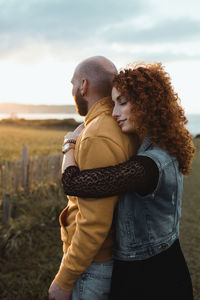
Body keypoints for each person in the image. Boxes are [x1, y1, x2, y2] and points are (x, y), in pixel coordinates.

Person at [61, 63, 195, 300]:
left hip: (152, 279)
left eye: (122, 103)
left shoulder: (149, 166)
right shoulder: (156, 144)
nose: (114, 113)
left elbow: (74, 183)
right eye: (113, 103)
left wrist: (70, 144)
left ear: (146, 103)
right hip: (159, 264)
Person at [48, 56, 139, 300]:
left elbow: (93, 223)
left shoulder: (97, 134)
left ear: (84, 86)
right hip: (101, 259)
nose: (73, 89)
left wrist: (64, 280)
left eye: (73, 83)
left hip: (92, 267)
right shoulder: (118, 124)